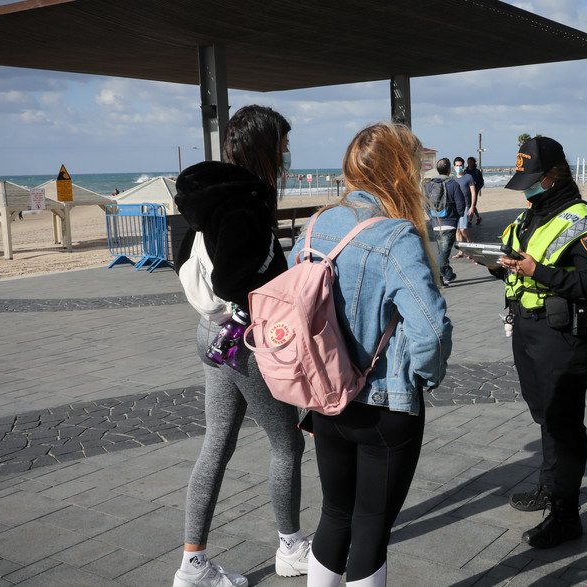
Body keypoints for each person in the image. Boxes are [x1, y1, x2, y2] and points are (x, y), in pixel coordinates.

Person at [291, 122, 452, 587]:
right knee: (371, 529)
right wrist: (426, 377)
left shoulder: (317, 224)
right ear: (401, 172)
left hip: (325, 398)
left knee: (334, 515)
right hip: (384, 403)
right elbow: (431, 329)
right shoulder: (397, 235)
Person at [172, 105, 308, 587]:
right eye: (282, 143)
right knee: (287, 443)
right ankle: (291, 547)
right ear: (263, 146)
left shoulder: (206, 195)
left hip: (210, 331)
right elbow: (236, 277)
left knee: (217, 442)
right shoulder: (245, 199)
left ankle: (193, 566)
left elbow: (184, 258)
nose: (288, 152)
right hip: (243, 338)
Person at [484, 136, 587, 549]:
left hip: (562, 334)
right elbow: (515, 270)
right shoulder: (529, 218)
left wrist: (537, 270)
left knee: (563, 422)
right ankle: (550, 486)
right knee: (544, 414)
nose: (526, 187)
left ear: (551, 176)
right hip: (527, 329)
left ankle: (567, 514)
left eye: (532, 180)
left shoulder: (582, 220)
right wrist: (496, 263)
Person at [427, 157, 467, 287]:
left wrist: (432, 218)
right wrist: (457, 216)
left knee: (442, 251)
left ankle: (448, 274)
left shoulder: (430, 185)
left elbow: (425, 204)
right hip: (449, 223)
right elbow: (461, 203)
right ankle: (437, 277)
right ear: (449, 169)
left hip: (436, 224)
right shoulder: (453, 184)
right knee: (444, 253)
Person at [451, 156, 477, 256]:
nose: (458, 167)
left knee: (463, 229)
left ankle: (469, 242)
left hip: (465, 206)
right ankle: (461, 251)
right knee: (457, 230)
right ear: (454, 167)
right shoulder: (452, 178)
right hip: (455, 207)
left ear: (463, 166)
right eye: (457, 165)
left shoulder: (468, 177)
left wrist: (472, 207)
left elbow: (473, 192)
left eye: (460, 165)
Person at [465, 156, 484, 225]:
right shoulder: (465, 171)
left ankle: (469, 221)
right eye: (468, 162)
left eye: (470, 162)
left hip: (474, 191)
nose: (469, 163)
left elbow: (481, 182)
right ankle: (478, 217)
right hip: (466, 191)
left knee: (472, 205)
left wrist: (477, 189)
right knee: (471, 205)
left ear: (473, 163)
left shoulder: (477, 172)